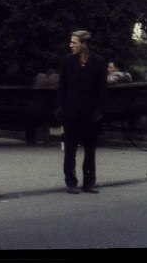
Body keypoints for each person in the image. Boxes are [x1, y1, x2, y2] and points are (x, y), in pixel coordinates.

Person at [57, 30, 107, 194]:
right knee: (70, 149)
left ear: (84, 44)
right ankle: (71, 182)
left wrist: (99, 109)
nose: (71, 45)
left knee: (90, 149)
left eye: (74, 42)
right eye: (71, 42)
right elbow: (62, 87)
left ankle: (89, 182)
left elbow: (102, 89)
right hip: (71, 112)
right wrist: (61, 108)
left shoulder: (99, 62)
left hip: (90, 113)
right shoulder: (67, 61)